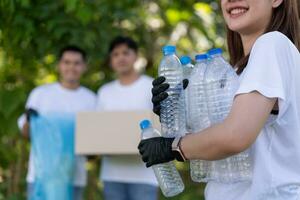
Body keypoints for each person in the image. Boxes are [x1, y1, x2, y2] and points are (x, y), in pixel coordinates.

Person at [139, 0, 300, 199]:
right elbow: (213, 141)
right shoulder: (236, 71)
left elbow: (235, 136)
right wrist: (177, 109)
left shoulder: (272, 43)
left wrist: (173, 147)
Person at [18, 46, 96, 200]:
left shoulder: (91, 100)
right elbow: (26, 133)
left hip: (74, 178)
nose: (71, 67)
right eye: (67, 62)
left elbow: (94, 146)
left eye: (76, 63)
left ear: (84, 66)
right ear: (59, 65)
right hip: (41, 177)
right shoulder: (40, 94)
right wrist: (29, 120)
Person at [96, 36, 158, 200]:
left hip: (145, 175)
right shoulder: (104, 92)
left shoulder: (152, 86)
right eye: (115, 54)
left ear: (135, 56)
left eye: (125, 53)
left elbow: (162, 125)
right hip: (112, 175)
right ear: (111, 60)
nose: (121, 58)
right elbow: (97, 130)